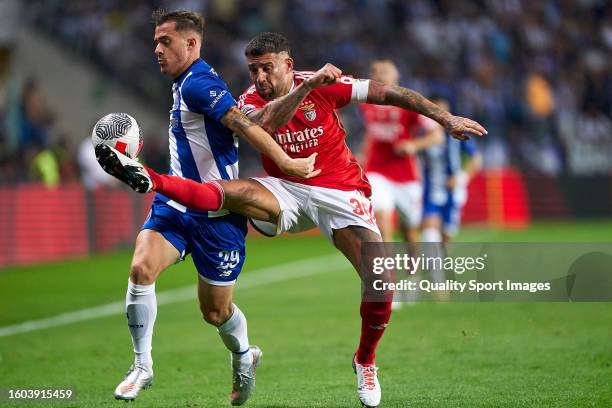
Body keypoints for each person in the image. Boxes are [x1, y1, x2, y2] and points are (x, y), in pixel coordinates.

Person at [97, 32, 487, 407]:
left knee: (381, 281)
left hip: (340, 192)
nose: (259, 78)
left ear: (288, 64)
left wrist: (445, 118)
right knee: (229, 191)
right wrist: (304, 88)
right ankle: (152, 179)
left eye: (267, 68)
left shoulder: (324, 85)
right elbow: (268, 123)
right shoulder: (250, 100)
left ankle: (365, 362)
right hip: (286, 188)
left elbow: (391, 94)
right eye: (253, 70)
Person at [110, 12, 317, 405]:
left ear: (191, 44)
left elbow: (241, 124)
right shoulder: (182, 83)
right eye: (155, 41)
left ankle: (244, 355)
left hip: (218, 216)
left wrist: (287, 164)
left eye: (165, 41)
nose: (156, 49)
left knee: (215, 313)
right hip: (175, 205)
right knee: (141, 267)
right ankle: (142, 367)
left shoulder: (200, 83)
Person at [421, 96, 483, 244]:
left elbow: (476, 159)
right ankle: (433, 266)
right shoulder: (421, 133)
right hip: (431, 188)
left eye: (443, 111)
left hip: (452, 191)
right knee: (429, 231)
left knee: (447, 235)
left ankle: (439, 262)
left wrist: (461, 178)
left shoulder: (457, 134)